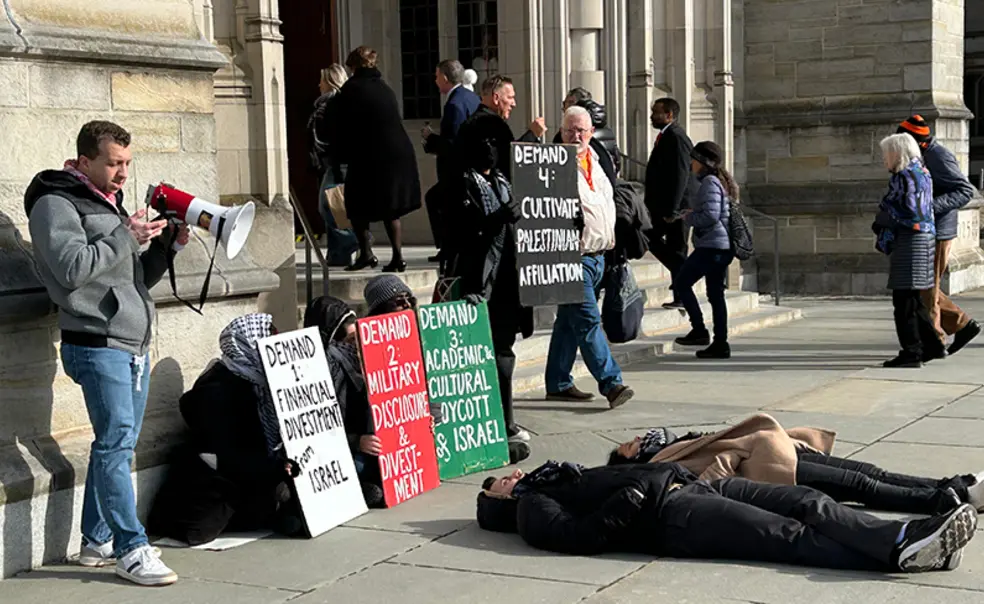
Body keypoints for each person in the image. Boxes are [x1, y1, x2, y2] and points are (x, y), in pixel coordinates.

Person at [24, 120, 189, 586]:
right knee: (115, 446)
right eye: (113, 163)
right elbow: (73, 269)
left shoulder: (107, 203)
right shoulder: (55, 202)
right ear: (83, 162)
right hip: (96, 345)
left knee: (115, 446)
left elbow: (131, 279)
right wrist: (125, 237)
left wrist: (166, 249)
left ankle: (96, 540)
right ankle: (131, 548)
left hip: (129, 343)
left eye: (127, 163)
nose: (122, 173)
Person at [477, 461, 978, 573]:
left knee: (807, 500)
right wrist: (631, 497)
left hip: (694, 485)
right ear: (499, 501)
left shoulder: (548, 480)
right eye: (499, 481)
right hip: (672, 514)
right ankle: (901, 551)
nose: (511, 473)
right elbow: (577, 537)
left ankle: (908, 538)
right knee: (788, 536)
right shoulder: (530, 508)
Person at [607, 416, 984, 516]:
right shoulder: (659, 461)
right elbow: (708, 473)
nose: (630, 441)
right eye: (624, 448)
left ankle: (950, 485)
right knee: (861, 487)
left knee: (870, 473)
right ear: (626, 463)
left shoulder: (667, 441)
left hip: (786, 449)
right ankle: (948, 500)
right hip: (773, 467)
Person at [149, 314, 305, 543]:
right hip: (218, 482)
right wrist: (276, 468)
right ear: (249, 346)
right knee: (204, 527)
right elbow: (229, 454)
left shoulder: (258, 383)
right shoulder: (218, 390)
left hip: (251, 471)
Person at [442, 132, 535, 448]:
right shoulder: (459, 185)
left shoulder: (504, 182)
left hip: (510, 280)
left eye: (493, 145)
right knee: (481, 353)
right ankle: (487, 420)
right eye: (483, 145)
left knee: (504, 351)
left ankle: (506, 418)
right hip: (479, 282)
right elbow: (458, 233)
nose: (490, 150)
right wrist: (495, 219)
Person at [544, 106, 634, 409]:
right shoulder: (552, 166)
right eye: (569, 130)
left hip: (599, 257)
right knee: (587, 321)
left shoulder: (597, 160)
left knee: (569, 323)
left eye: (581, 130)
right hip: (571, 258)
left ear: (591, 132)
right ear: (561, 131)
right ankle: (612, 383)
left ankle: (558, 382)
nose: (576, 135)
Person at [331, 46, 421, 272]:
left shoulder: (352, 89)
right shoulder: (384, 87)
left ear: (352, 67)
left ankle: (366, 254)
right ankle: (397, 256)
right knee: (391, 209)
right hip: (396, 153)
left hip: (371, 155)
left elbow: (342, 125)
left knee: (356, 204)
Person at [898, 115, 981, 357]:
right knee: (923, 287)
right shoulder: (918, 155)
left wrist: (928, 206)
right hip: (923, 230)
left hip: (938, 231)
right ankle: (961, 324)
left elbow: (965, 190)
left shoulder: (938, 155)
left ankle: (935, 341)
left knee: (928, 289)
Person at [304, 296, 384, 506]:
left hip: (368, 446)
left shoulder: (366, 362)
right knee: (356, 467)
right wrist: (357, 442)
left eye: (358, 337)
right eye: (349, 341)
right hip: (340, 452)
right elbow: (317, 429)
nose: (356, 346)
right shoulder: (323, 372)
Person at [873, 133, 939, 368]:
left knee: (903, 301)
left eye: (886, 154)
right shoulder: (923, 172)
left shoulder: (903, 176)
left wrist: (884, 216)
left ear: (897, 153)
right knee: (912, 298)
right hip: (924, 238)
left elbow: (907, 210)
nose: (884, 160)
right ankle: (932, 345)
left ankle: (911, 352)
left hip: (911, 240)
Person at [672, 141, 735, 359]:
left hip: (712, 246)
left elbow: (710, 215)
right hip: (719, 246)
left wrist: (689, 217)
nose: (691, 164)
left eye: (694, 160)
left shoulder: (709, 182)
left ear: (702, 162)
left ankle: (700, 331)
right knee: (715, 295)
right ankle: (720, 342)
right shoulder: (717, 181)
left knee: (682, 283)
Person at [422, 59, 481, 262]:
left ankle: (448, 248)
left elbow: (453, 143)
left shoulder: (455, 103)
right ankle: (449, 247)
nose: (435, 80)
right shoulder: (471, 97)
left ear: (445, 78)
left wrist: (430, 138)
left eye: (437, 76)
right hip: (470, 169)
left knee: (438, 203)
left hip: (456, 172)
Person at [645, 97, 696, 309]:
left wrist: (674, 209)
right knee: (663, 244)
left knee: (672, 247)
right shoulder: (666, 136)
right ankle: (681, 288)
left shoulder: (676, 137)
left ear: (669, 115)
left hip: (676, 207)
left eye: (656, 112)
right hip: (667, 206)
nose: (651, 116)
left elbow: (681, 174)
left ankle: (683, 285)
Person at [455, 74, 548, 179]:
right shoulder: (491, 124)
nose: (514, 104)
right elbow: (508, 160)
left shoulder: (473, 122)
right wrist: (532, 135)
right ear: (496, 98)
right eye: (510, 97)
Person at [310, 64, 358, 267]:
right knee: (336, 207)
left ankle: (353, 241)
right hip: (328, 162)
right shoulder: (327, 104)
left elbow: (330, 135)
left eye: (321, 80)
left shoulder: (333, 104)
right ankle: (338, 254)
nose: (318, 84)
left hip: (338, 162)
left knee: (329, 206)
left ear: (330, 82)